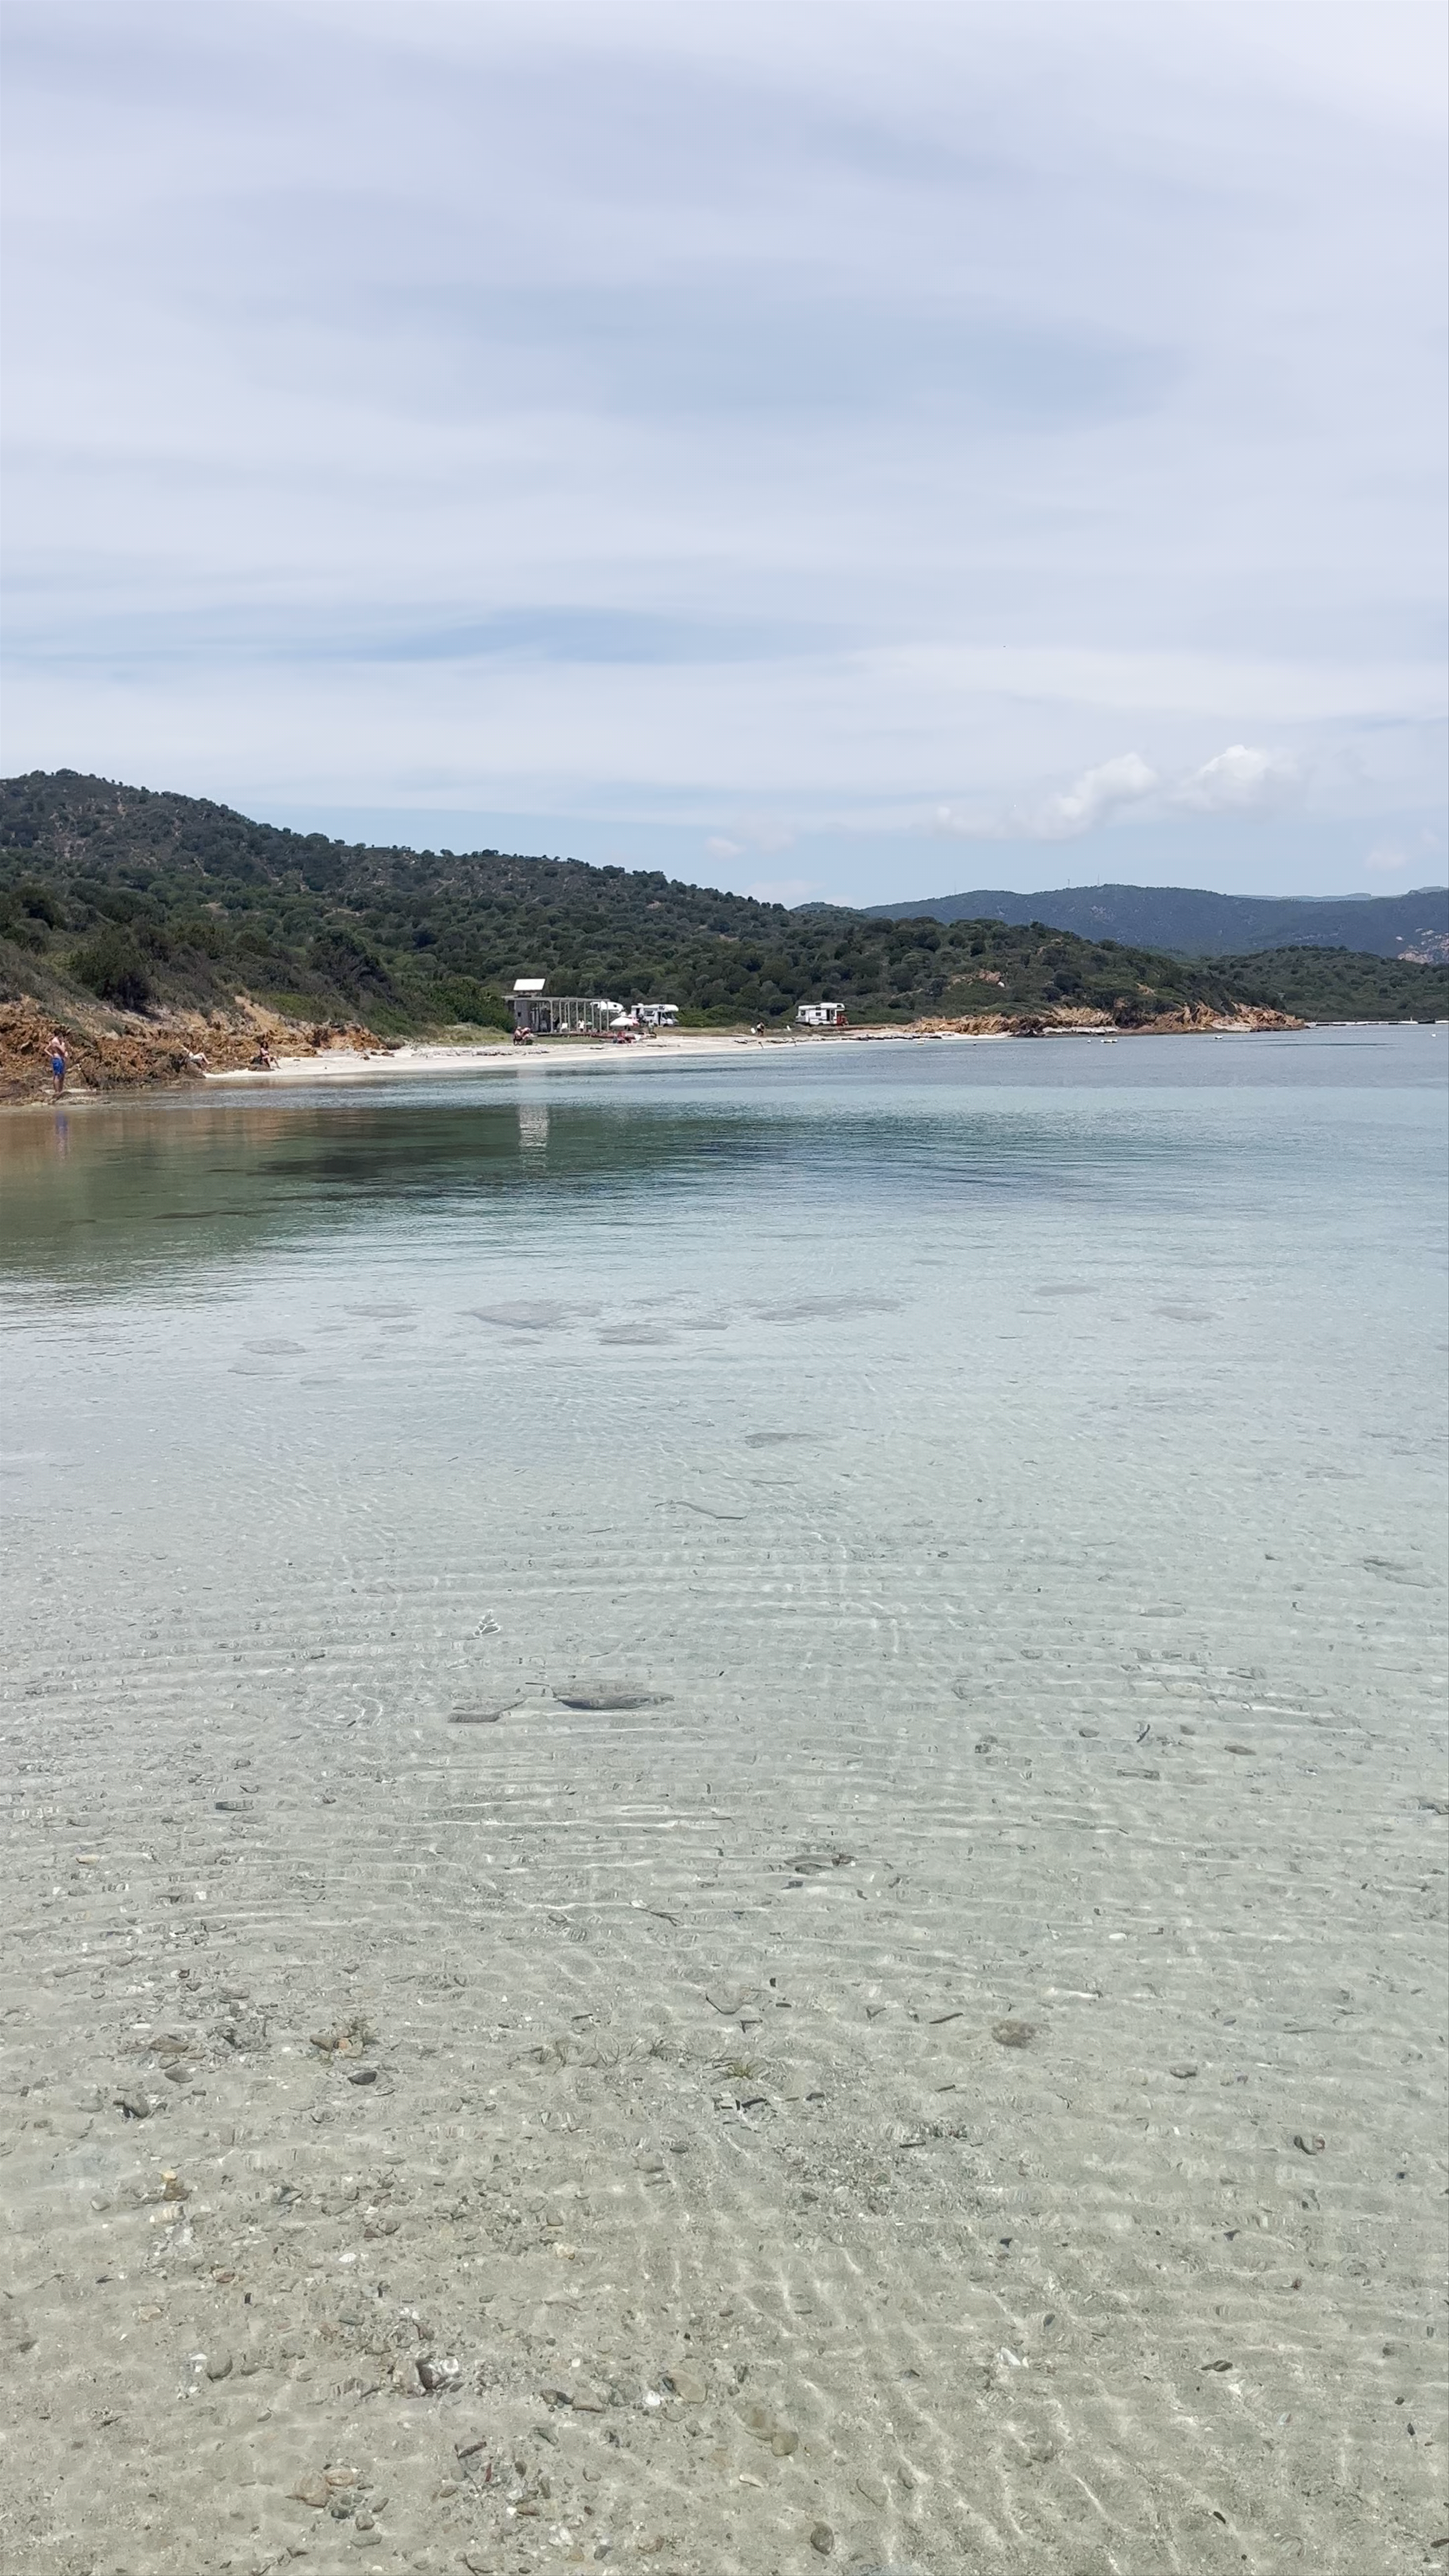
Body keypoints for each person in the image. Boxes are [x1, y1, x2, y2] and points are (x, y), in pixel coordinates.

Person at [49, 1032, 68, 1097]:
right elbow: (63, 1051)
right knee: (57, 1075)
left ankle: (59, 1091)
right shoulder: (56, 1042)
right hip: (57, 1059)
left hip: (59, 1059)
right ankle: (57, 1092)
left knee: (61, 1075)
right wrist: (63, 1045)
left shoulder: (55, 1041)